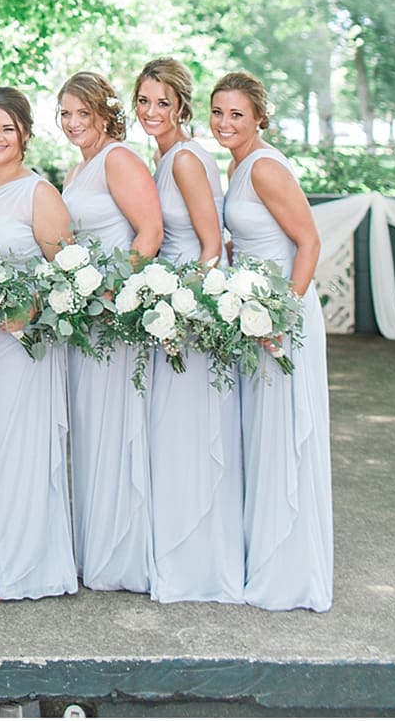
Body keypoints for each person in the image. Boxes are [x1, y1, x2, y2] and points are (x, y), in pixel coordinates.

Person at [210, 72, 333, 612]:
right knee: (262, 438)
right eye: (217, 112)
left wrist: (283, 311)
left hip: (282, 319)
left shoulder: (263, 166)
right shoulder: (238, 165)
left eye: (236, 114)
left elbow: (308, 242)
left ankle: (290, 575)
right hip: (253, 313)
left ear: (260, 116)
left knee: (284, 436)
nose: (224, 123)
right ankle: (266, 559)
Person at [0, 87, 79, 600]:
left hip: (19, 346)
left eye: (6, 128)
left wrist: (26, 307)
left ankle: (23, 564)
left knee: (15, 455)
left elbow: (68, 273)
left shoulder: (39, 193)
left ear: (25, 132)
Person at [132, 57, 244, 605]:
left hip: (187, 316)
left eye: (162, 102)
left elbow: (210, 245)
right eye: (144, 100)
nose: (152, 111)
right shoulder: (164, 156)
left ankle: (198, 566)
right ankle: (177, 555)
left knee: (188, 436)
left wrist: (180, 307)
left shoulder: (185, 160)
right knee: (172, 438)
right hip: (167, 308)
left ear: (181, 105)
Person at [57, 71, 161, 593]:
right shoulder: (79, 171)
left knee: (113, 429)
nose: (74, 123)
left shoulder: (118, 158)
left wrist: (113, 292)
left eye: (83, 113)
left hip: (113, 321)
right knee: (89, 430)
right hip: (82, 320)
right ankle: (92, 546)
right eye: (66, 114)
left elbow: (150, 232)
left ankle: (118, 553)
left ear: (104, 114)